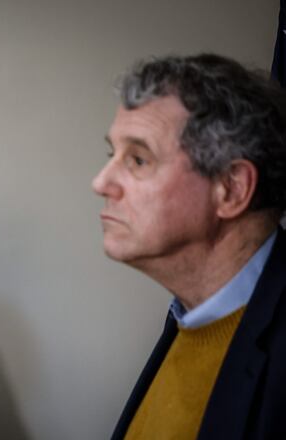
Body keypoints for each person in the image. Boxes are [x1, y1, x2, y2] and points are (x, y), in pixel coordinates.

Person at [93, 54, 286, 439]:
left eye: (138, 159)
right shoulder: (190, 316)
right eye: (111, 154)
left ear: (231, 188)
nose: (101, 183)